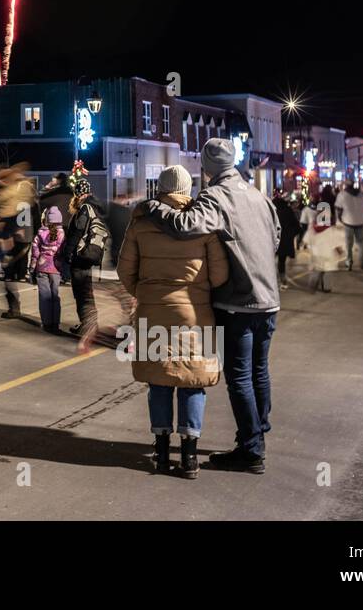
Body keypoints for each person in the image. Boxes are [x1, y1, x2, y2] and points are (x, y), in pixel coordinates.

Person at [143, 139, 280, 474]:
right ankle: (256, 437)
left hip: (238, 302)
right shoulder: (257, 195)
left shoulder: (215, 197)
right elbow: (276, 236)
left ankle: (251, 450)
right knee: (259, 372)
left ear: (206, 167)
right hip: (269, 300)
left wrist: (154, 208)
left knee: (240, 377)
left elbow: (185, 226)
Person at [110, 165, 227, 478]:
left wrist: (147, 293)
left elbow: (125, 270)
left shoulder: (141, 222)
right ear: (188, 189)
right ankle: (189, 456)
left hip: (152, 311)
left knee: (159, 382)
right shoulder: (204, 223)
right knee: (193, 382)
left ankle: (161, 452)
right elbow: (220, 275)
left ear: (158, 189)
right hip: (196, 314)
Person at [58, 180, 117, 340]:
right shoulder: (97, 207)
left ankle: (87, 326)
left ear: (77, 192)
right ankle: (91, 324)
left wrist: (67, 255)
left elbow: (77, 232)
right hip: (91, 255)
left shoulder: (85, 208)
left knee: (81, 293)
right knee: (86, 292)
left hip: (80, 256)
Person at [0, 164, 37, 319]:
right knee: (7, 273)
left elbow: (14, 217)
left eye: (2, 178)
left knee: (7, 273)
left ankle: (14, 308)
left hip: (17, 238)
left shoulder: (14, 193)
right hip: (20, 237)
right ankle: (14, 307)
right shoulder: (24, 190)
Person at [31, 207, 66, 333]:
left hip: (41, 268)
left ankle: (46, 323)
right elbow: (62, 252)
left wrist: (31, 269)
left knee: (44, 296)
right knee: (55, 296)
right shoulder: (62, 234)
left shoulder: (40, 233)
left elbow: (35, 252)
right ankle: (55, 324)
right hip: (56, 269)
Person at [335, 181, 363, 271]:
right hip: (360, 221)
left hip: (348, 222)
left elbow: (339, 209)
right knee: (360, 243)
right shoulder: (362, 194)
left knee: (348, 244)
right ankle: (362, 262)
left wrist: (340, 218)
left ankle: (349, 262)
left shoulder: (342, 195)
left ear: (346, 185)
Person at [272, 192, 300, 289]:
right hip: (284, 241)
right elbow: (297, 226)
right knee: (281, 261)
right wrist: (291, 235)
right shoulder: (288, 211)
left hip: (272, 240)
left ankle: (272, 281)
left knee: (270, 260)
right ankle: (283, 281)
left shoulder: (272, 212)